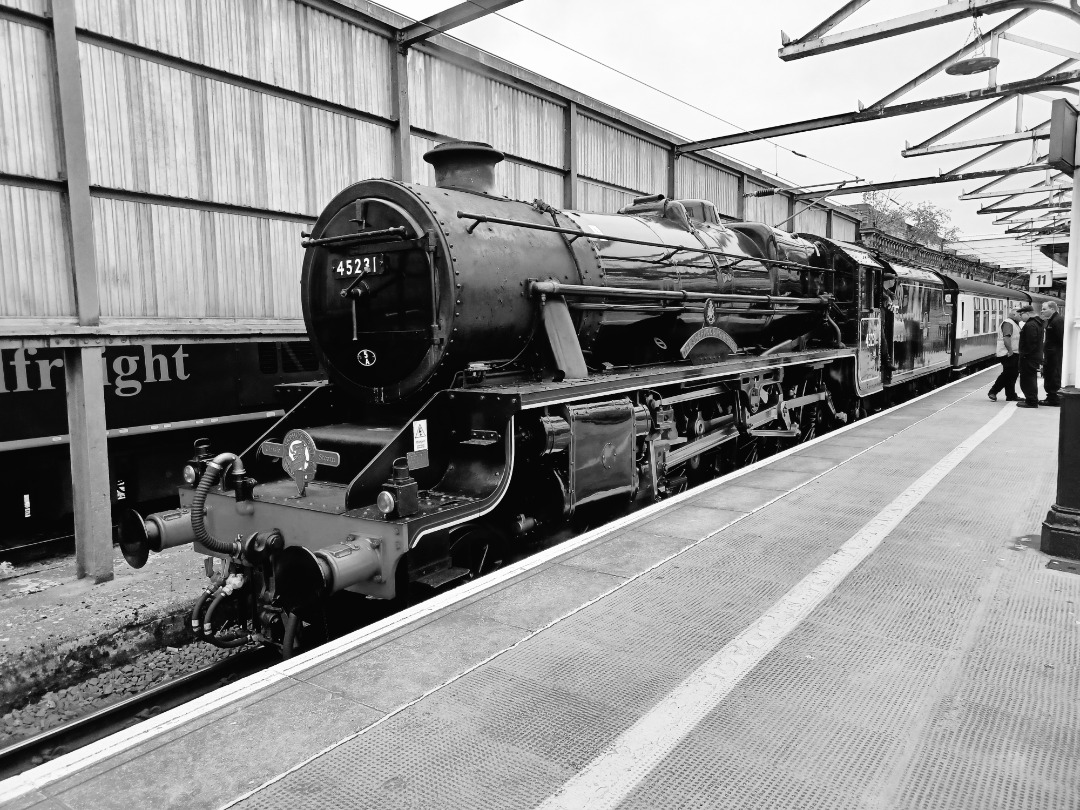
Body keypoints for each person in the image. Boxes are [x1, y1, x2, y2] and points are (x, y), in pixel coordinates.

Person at [987, 304, 1021, 402]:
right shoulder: (1008, 323)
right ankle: (993, 391)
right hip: (1008, 353)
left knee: (1012, 374)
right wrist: (1010, 351)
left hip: (1012, 352)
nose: (1021, 316)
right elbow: (1006, 338)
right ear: (1014, 314)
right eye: (1020, 314)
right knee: (1008, 373)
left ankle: (1011, 395)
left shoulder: (1014, 323)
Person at [1016, 304, 1044, 408]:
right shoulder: (1037, 323)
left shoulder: (1030, 325)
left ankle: (1031, 401)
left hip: (1028, 358)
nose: (1020, 316)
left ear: (1028, 313)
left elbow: (1030, 342)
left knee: (1027, 380)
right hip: (1033, 357)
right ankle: (1031, 400)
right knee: (1031, 379)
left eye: (1021, 314)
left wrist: (1024, 355)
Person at [1041, 300, 1063, 406]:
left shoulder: (1057, 321)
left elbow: (1061, 338)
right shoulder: (1052, 320)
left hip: (1055, 355)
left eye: (1044, 309)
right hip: (1051, 354)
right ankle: (1050, 397)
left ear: (1052, 309)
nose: (1042, 311)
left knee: (1053, 376)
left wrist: (1055, 351)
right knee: (1049, 375)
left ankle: (1053, 399)